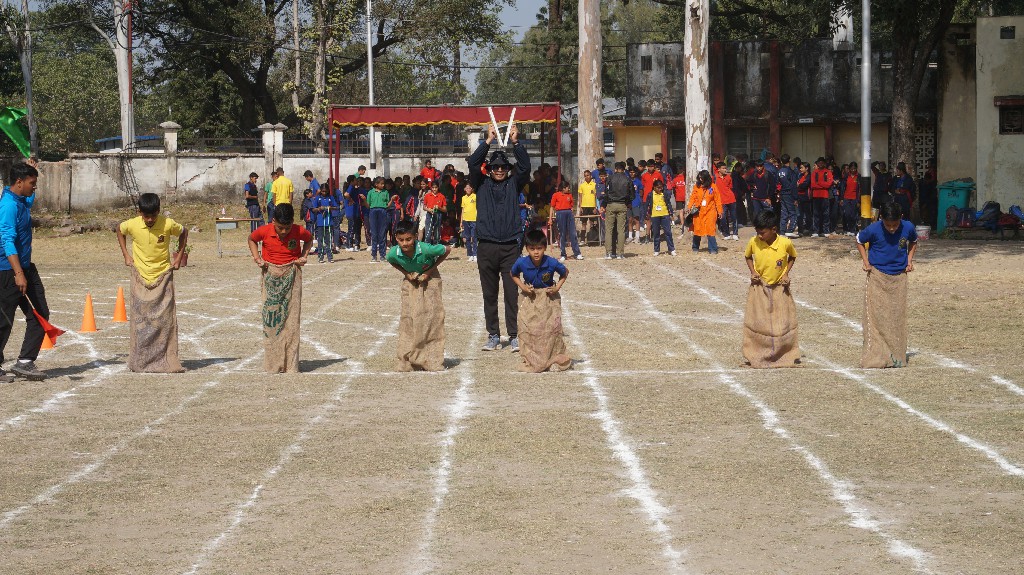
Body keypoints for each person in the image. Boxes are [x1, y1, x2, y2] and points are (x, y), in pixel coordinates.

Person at [467, 122, 531, 352]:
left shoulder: (514, 184)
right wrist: (488, 141)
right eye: (495, 167)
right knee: (489, 293)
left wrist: (516, 142)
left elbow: (525, 167)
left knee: (512, 293)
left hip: (510, 247)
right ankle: (493, 335)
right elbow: (473, 163)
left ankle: (514, 335)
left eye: (503, 167)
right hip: (486, 246)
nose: (500, 170)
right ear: (489, 169)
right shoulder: (480, 184)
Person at [116, 192, 188, 373]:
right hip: (140, 275)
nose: (149, 220)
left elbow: (183, 232)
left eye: (153, 216)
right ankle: (141, 360)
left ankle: (166, 359)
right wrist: (126, 255)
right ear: (139, 212)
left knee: (164, 320)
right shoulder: (132, 224)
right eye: (145, 216)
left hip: (162, 275)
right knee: (141, 320)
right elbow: (119, 230)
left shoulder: (168, 223)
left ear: (159, 212)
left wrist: (178, 257)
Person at [248, 203, 312, 373]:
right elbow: (252, 239)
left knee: (292, 319)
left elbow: (309, 239)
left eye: (287, 227)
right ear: (273, 220)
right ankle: (273, 364)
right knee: (272, 321)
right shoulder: (264, 230)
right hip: (270, 273)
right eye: (280, 227)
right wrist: (257, 258)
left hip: (292, 274)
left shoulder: (299, 231)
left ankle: (291, 364)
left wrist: (303, 256)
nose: (283, 232)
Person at [0, 163, 49, 381]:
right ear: (19, 182)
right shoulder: (9, 206)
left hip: (26, 267)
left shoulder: (21, 200)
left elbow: (29, 200)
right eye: (32, 183)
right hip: (9, 270)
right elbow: (7, 240)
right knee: (4, 321)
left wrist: (33, 169)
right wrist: (18, 272)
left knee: (40, 313)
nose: (35, 187)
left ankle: (25, 362)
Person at [856, 202, 918, 369]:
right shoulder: (874, 229)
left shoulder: (908, 227)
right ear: (881, 219)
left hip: (899, 276)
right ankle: (876, 355)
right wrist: (865, 261)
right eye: (888, 225)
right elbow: (859, 241)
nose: (891, 228)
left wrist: (909, 261)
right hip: (877, 274)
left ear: (901, 219)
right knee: (876, 315)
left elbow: (913, 242)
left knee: (896, 316)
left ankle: (897, 355)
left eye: (895, 225)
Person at [385, 220, 451, 371]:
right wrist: (406, 273)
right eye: (401, 240)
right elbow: (392, 261)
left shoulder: (427, 249)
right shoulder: (393, 253)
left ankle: (431, 359)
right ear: (396, 238)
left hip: (430, 278)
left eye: (408, 239)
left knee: (431, 318)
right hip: (411, 280)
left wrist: (429, 271)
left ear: (415, 237)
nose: (405, 243)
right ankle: (406, 359)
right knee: (409, 318)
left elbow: (447, 250)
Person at [742, 209, 800, 368]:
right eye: (757, 232)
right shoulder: (754, 242)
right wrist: (753, 272)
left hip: (779, 288)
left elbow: (792, 256)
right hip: (760, 287)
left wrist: (786, 274)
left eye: (762, 232)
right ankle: (758, 353)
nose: (759, 236)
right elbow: (747, 256)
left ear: (774, 229)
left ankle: (783, 353)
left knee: (782, 322)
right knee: (760, 322)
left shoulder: (785, 243)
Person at [510, 229, 572, 373]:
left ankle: (551, 357)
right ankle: (533, 358)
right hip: (530, 297)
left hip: (548, 298)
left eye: (539, 248)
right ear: (527, 249)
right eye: (532, 249)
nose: (536, 252)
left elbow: (565, 273)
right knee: (529, 328)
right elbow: (513, 274)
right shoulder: (522, 262)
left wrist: (556, 288)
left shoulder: (551, 262)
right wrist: (523, 287)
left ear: (544, 248)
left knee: (550, 329)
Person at [602, 162, 633, 260]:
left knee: (609, 230)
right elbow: (631, 194)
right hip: (622, 205)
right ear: (624, 169)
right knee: (621, 230)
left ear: (615, 169)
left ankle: (609, 253)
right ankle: (620, 253)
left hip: (611, 204)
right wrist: (627, 202)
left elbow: (606, 194)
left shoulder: (610, 178)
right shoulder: (627, 179)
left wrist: (604, 204)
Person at [687, 170, 722, 254]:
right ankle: (695, 247)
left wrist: (720, 211)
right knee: (697, 229)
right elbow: (693, 197)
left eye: (702, 178)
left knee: (710, 229)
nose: (700, 179)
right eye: (699, 178)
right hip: (698, 211)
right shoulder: (697, 186)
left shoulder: (713, 187)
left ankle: (713, 249)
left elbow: (717, 199)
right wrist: (689, 206)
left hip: (710, 211)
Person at [549, 180, 583, 262]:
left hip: (569, 213)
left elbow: (571, 206)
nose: (569, 189)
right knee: (562, 234)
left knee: (573, 233)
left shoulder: (570, 195)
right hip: (560, 213)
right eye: (568, 187)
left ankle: (577, 253)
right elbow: (552, 207)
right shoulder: (556, 195)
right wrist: (550, 218)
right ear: (563, 188)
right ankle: (563, 254)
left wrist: (572, 214)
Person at [648, 179, 676, 256]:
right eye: (658, 187)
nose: (660, 189)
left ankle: (671, 249)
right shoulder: (650, 195)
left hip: (665, 214)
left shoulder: (665, 194)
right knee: (656, 233)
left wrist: (671, 214)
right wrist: (647, 215)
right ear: (654, 187)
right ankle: (656, 250)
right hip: (655, 215)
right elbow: (647, 205)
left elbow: (668, 203)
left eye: (661, 187)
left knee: (668, 232)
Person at [366, 176, 391, 262]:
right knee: (374, 233)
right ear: (376, 184)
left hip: (383, 211)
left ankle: (382, 255)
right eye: (381, 184)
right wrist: (363, 200)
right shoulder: (370, 192)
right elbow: (368, 205)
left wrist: (392, 200)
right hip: (373, 211)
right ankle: (374, 255)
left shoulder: (386, 192)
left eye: (383, 183)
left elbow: (387, 204)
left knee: (382, 233)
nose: (383, 185)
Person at [312, 184, 338, 263]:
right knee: (320, 240)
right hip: (320, 222)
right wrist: (319, 208)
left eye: (325, 191)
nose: (324, 193)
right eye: (322, 191)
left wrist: (330, 208)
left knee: (329, 240)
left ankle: (330, 256)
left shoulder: (330, 198)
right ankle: (320, 256)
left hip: (329, 222)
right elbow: (313, 209)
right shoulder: (318, 198)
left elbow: (336, 207)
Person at [810, 157, 834, 237]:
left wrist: (819, 183)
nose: (820, 164)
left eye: (822, 163)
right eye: (819, 163)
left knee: (825, 214)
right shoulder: (814, 173)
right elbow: (813, 185)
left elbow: (829, 184)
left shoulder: (828, 172)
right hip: (816, 196)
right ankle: (816, 231)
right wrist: (823, 184)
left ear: (824, 163)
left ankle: (826, 231)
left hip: (825, 196)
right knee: (816, 214)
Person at [714, 162, 738, 240]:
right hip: (721, 201)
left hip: (731, 199)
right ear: (719, 169)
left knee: (734, 217)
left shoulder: (728, 177)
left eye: (725, 168)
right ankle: (727, 234)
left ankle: (735, 233)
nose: (725, 170)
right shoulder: (714, 178)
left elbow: (730, 187)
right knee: (723, 217)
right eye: (723, 168)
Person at [777, 155, 799, 238]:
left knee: (784, 213)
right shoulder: (791, 172)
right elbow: (793, 185)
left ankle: (782, 231)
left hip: (782, 194)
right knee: (793, 213)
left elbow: (777, 183)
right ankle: (790, 230)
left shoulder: (779, 171)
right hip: (789, 194)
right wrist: (795, 198)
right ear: (789, 160)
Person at [345, 177, 365, 251]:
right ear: (352, 181)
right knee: (352, 229)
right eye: (356, 180)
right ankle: (349, 245)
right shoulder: (350, 187)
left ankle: (357, 245)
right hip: (351, 212)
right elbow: (346, 194)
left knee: (358, 229)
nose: (357, 181)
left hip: (357, 212)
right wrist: (351, 200)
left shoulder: (358, 189)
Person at [577, 170, 598, 244]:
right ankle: (582, 239)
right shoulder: (582, 185)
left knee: (592, 222)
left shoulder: (594, 185)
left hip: (592, 206)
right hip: (584, 206)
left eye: (588, 175)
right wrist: (581, 207)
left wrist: (595, 207)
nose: (587, 177)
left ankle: (592, 239)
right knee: (583, 223)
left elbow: (596, 197)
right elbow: (580, 197)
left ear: (591, 175)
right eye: (585, 175)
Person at [841, 162, 861, 235]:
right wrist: (842, 198)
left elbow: (860, 189)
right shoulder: (846, 176)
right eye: (851, 169)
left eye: (854, 169)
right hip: (846, 197)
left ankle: (853, 230)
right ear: (849, 169)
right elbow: (842, 188)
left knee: (854, 214)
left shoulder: (858, 177)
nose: (853, 170)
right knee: (847, 214)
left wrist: (859, 201)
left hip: (855, 198)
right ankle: (848, 228)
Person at [460, 182, 478, 262]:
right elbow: (462, 209)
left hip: (474, 219)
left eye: (469, 188)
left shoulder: (475, 196)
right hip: (465, 219)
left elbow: (478, 208)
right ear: (464, 189)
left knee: (474, 237)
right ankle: (470, 254)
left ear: (472, 189)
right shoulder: (463, 198)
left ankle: (475, 254)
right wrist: (461, 221)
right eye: (466, 188)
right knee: (467, 238)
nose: (468, 189)